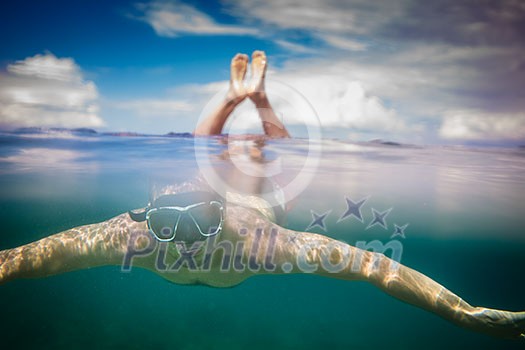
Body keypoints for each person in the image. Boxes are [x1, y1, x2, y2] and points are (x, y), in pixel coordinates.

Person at [0, 51, 524, 340]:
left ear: (221, 217)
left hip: (252, 207)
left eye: (199, 222)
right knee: (225, 158)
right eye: (166, 225)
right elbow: (26, 258)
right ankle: (240, 98)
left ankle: (255, 99)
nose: (181, 242)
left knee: (258, 164)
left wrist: (462, 311)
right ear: (147, 214)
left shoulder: (257, 239)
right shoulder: (132, 234)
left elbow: (373, 267)